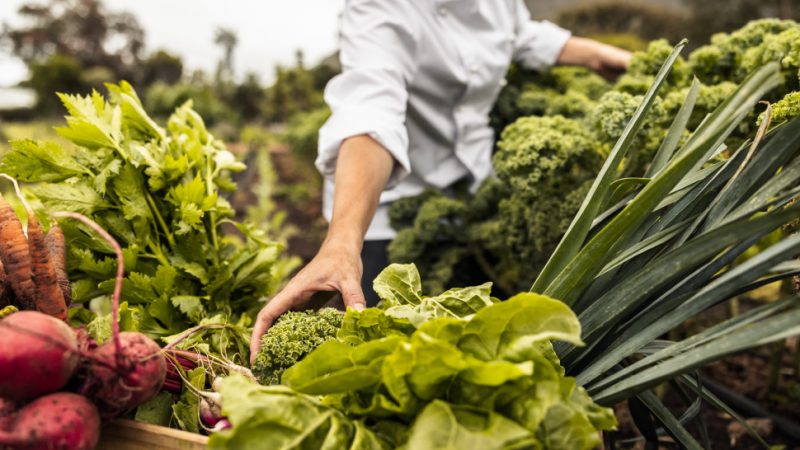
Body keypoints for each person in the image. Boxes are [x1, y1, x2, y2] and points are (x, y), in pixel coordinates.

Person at [250, 0, 631, 359]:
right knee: (385, 357)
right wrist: (341, 244)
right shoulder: (380, 8)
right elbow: (371, 111)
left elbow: (519, 33)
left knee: (486, 354)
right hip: (388, 205)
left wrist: (597, 55)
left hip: (474, 198)